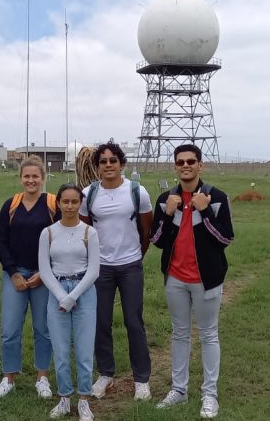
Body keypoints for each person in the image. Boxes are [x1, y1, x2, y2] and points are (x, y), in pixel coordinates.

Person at [150, 144, 234, 419]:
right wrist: (168, 213)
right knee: (180, 333)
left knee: (209, 334)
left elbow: (225, 238)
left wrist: (205, 211)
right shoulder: (166, 199)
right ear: (175, 167)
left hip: (206, 279)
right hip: (175, 278)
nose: (185, 165)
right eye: (180, 162)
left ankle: (210, 395)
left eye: (191, 161)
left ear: (200, 165)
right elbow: (157, 241)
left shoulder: (216, 197)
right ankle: (179, 389)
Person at [79, 141, 154, 400]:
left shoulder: (137, 192)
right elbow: (85, 231)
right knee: (101, 321)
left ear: (122, 164)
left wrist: (135, 257)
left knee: (134, 321)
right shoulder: (89, 194)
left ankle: (141, 379)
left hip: (131, 266)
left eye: (113, 160)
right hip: (100, 269)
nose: (108, 165)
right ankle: (105, 374)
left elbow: (147, 231)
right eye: (103, 161)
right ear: (97, 166)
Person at [0, 157, 58, 399]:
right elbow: (1, 241)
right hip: (16, 275)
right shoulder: (12, 205)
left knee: (43, 328)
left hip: (43, 276)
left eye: (35, 176)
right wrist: (13, 272)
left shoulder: (52, 204)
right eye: (26, 176)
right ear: (21, 178)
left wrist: (45, 272)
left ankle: (42, 377)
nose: (31, 180)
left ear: (43, 178)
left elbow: (60, 240)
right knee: (10, 329)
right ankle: (9, 377)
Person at [39, 183, 100, 421]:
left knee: (84, 349)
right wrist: (61, 296)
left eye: (75, 201)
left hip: (83, 291)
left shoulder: (89, 232)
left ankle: (84, 399)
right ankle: (64, 397)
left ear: (80, 203)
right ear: (59, 203)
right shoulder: (48, 233)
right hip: (56, 292)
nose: (70, 206)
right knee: (61, 349)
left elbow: (94, 270)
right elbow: (45, 269)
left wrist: (73, 296)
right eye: (66, 201)